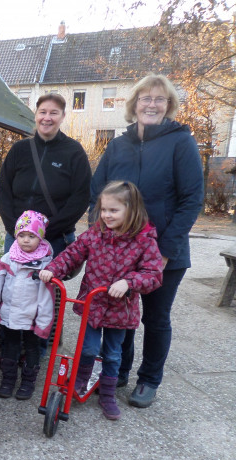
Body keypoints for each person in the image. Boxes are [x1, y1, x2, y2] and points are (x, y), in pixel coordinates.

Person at [90, 74, 204, 408]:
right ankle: (117, 371)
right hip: (119, 251)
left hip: (165, 251)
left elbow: (192, 199)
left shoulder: (180, 141)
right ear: (134, 104)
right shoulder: (117, 145)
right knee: (116, 313)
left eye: (159, 100)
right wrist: (98, 239)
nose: (151, 105)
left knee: (154, 318)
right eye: (145, 99)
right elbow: (97, 193)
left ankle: (149, 380)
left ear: (168, 106)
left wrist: (166, 251)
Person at [40, 181, 163, 419]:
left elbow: (153, 274)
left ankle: (107, 394)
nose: (106, 215)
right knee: (87, 349)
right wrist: (53, 269)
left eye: (113, 210)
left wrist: (128, 282)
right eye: (104, 210)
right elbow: (72, 253)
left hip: (121, 309)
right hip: (93, 306)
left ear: (131, 209)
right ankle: (82, 381)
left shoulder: (144, 239)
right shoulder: (96, 234)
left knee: (113, 354)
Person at [0, 93, 92, 257]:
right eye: (42, 112)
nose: (47, 118)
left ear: (63, 116)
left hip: (54, 239)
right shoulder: (19, 149)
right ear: (36, 115)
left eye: (53, 113)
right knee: (12, 282)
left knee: (48, 283)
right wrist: (15, 228)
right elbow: (3, 191)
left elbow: (81, 197)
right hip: (17, 237)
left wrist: (47, 230)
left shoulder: (74, 152)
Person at [0, 211, 55, 400]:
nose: (26, 240)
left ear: (40, 238)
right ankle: (8, 380)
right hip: (9, 314)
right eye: (22, 235)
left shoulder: (45, 265)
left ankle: (28, 381)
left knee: (32, 348)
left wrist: (43, 322)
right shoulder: (8, 259)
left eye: (31, 236)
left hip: (32, 317)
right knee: (9, 347)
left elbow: (47, 296)